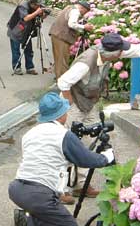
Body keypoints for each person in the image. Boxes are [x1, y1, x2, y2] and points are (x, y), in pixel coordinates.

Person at [57, 33, 140, 197]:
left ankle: (80, 185)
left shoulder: (106, 53)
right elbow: (63, 82)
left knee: (90, 142)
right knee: (69, 144)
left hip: (89, 103)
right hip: (74, 103)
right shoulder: (86, 62)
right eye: (120, 52)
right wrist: (68, 105)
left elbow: (134, 50)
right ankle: (60, 190)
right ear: (112, 53)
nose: (122, 54)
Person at [8, 92, 114, 226]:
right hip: (40, 195)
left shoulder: (29, 134)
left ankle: (28, 219)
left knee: (43, 217)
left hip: (17, 189)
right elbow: (86, 159)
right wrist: (106, 157)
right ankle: (29, 219)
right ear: (60, 115)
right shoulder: (63, 135)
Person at [49, 0, 94, 80]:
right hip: (61, 36)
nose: (84, 14)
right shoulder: (75, 11)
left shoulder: (69, 7)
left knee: (59, 58)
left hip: (56, 34)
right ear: (83, 8)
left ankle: (59, 77)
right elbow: (71, 24)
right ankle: (62, 81)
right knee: (62, 60)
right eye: (85, 12)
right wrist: (84, 27)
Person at [7, 0, 45, 75]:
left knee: (29, 50)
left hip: (27, 31)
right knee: (16, 51)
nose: (39, 6)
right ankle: (17, 67)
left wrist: (43, 14)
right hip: (16, 30)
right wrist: (37, 12)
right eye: (37, 5)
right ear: (32, 4)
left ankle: (30, 67)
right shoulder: (23, 6)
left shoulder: (36, 7)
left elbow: (41, 17)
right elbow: (26, 18)